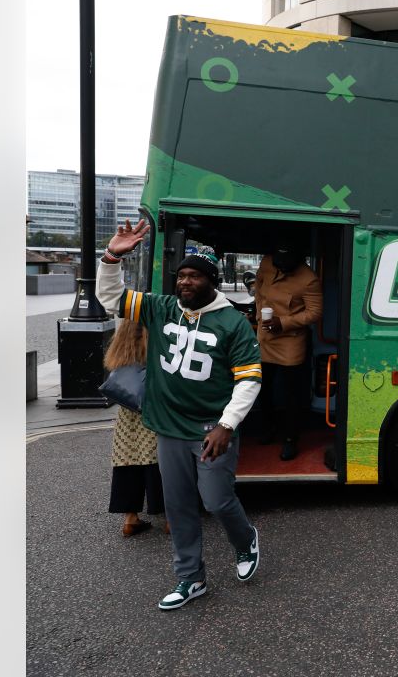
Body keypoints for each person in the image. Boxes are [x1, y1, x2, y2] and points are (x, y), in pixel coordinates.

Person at [98, 220, 263, 611]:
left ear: (212, 281)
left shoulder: (232, 323)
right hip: (169, 427)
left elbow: (250, 379)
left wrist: (227, 424)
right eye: (181, 275)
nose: (184, 282)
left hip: (210, 428)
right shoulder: (161, 307)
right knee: (178, 506)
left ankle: (245, 541)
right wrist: (112, 256)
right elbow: (111, 299)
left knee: (217, 500)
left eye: (194, 276)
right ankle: (190, 577)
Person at [254, 243, 324, 461]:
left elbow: (315, 312)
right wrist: (258, 316)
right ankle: (268, 428)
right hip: (264, 337)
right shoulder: (266, 262)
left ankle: (290, 439)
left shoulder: (308, 279)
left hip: (290, 342)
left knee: (291, 394)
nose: (281, 271)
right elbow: (258, 288)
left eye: (287, 268)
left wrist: (283, 322)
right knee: (262, 388)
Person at [104, 318, 165, 537]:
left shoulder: (122, 343)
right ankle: (169, 518)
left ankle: (130, 519)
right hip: (153, 410)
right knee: (156, 460)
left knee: (127, 459)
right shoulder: (157, 342)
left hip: (128, 411)